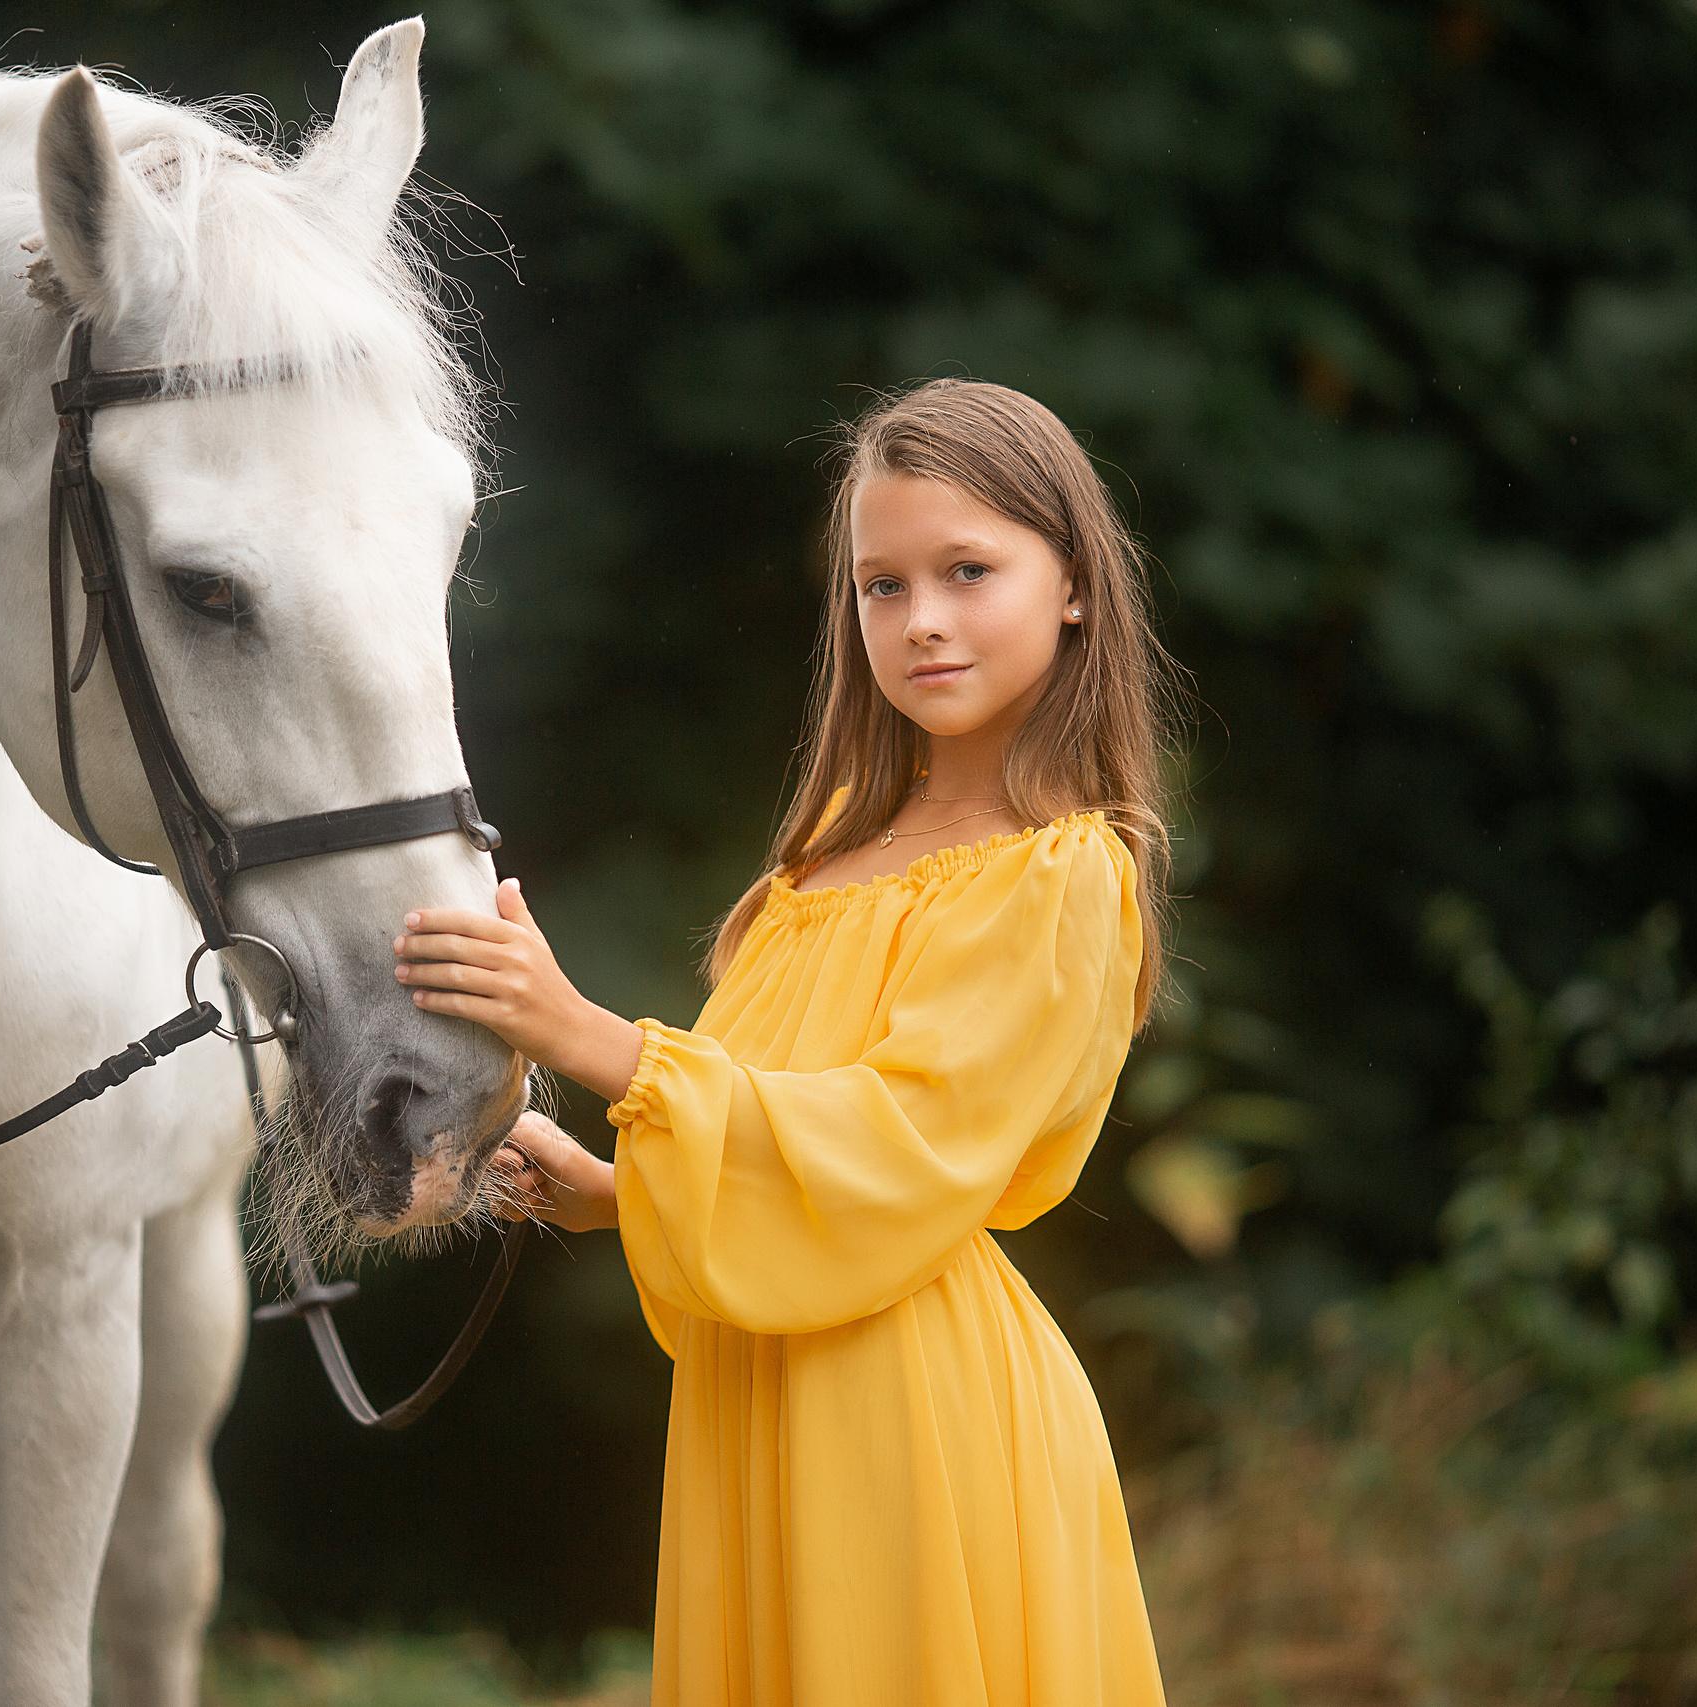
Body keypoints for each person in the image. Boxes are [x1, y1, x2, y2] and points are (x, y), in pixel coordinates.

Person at [393, 378, 1174, 1706]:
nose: (920, 620)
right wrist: (615, 1195)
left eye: (967, 570)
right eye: (881, 586)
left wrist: (584, 1035)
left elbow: (897, 1145)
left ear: (1076, 587)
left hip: (914, 1422)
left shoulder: (1063, 876)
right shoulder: (813, 874)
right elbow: (778, 1149)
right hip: (758, 1408)